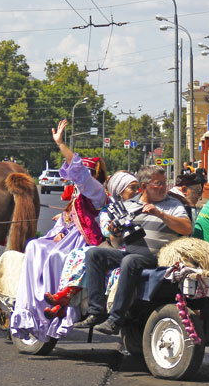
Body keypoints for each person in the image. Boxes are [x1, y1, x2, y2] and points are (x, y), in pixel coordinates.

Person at [10, 119, 108, 342]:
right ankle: (33, 305)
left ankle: (59, 308)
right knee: (34, 246)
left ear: (94, 175)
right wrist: (59, 230)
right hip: (66, 237)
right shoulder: (79, 195)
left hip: (84, 241)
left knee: (56, 256)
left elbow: (80, 174)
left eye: (85, 174)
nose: (76, 178)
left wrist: (61, 144)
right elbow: (65, 221)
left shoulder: (96, 191)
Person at [72, 165, 193, 335]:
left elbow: (186, 228)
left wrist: (160, 214)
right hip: (132, 253)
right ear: (144, 187)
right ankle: (96, 311)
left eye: (165, 183)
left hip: (157, 256)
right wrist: (115, 232)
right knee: (94, 254)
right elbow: (117, 243)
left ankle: (115, 319)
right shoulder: (127, 206)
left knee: (130, 260)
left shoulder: (173, 204)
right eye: (158, 184)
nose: (164, 187)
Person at [43, 171, 140, 320]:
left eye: (138, 188)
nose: (137, 191)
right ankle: (63, 299)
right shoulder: (109, 209)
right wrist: (115, 229)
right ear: (120, 191)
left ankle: (63, 302)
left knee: (89, 255)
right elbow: (107, 231)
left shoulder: (141, 206)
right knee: (78, 254)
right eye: (132, 188)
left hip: (133, 249)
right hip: (114, 246)